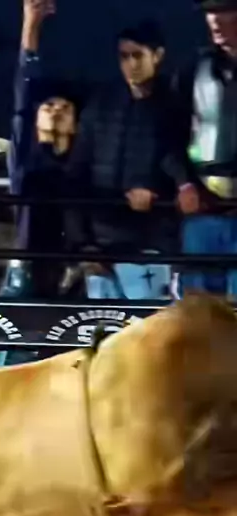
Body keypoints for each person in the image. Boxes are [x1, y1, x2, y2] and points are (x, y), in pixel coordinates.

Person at [68, 19, 191, 300]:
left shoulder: (177, 106)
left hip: (152, 245)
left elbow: (183, 166)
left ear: (158, 56)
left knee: (148, 324)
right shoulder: (100, 105)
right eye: (124, 56)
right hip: (102, 246)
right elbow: (76, 174)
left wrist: (157, 192)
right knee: (102, 324)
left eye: (138, 55)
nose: (131, 64)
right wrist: (82, 244)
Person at [0, 0, 82, 303]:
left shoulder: (81, 164)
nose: (56, 111)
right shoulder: (25, 161)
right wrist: (30, 25)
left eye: (65, 107)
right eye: (48, 107)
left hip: (73, 271)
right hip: (27, 271)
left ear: (76, 123)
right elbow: (24, 88)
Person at [173, 0, 237, 297]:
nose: (216, 23)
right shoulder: (192, 71)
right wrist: (184, 182)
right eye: (211, 15)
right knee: (198, 307)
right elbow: (169, 134)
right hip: (204, 207)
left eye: (225, 13)